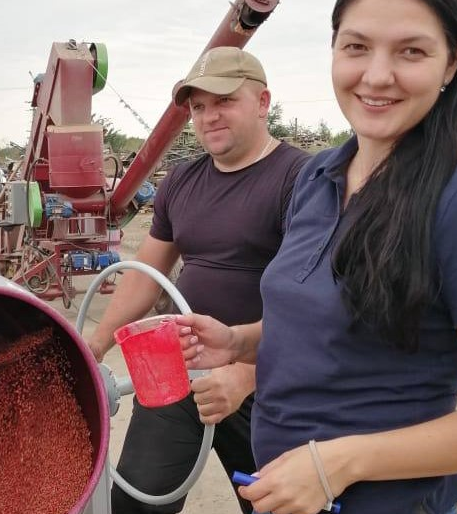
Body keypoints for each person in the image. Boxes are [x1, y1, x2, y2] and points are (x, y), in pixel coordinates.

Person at [179, 0, 457, 514]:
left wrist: (339, 462)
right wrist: (238, 341)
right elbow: (325, 327)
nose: (376, 76)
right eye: (356, 47)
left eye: (411, 50)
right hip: (287, 495)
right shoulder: (317, 176)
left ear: (454, 61)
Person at [86, 46, 310, 513]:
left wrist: (246, 375)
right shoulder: (182, 181)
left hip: (271, 380)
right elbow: (148, 274)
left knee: (276, 505)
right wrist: (97, 340)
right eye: (198, 106)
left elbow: (316, 303)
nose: (208, 117)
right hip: (179, 367)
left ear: (263, 102)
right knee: (137, 503)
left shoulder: (301, 179)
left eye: (223, 101)